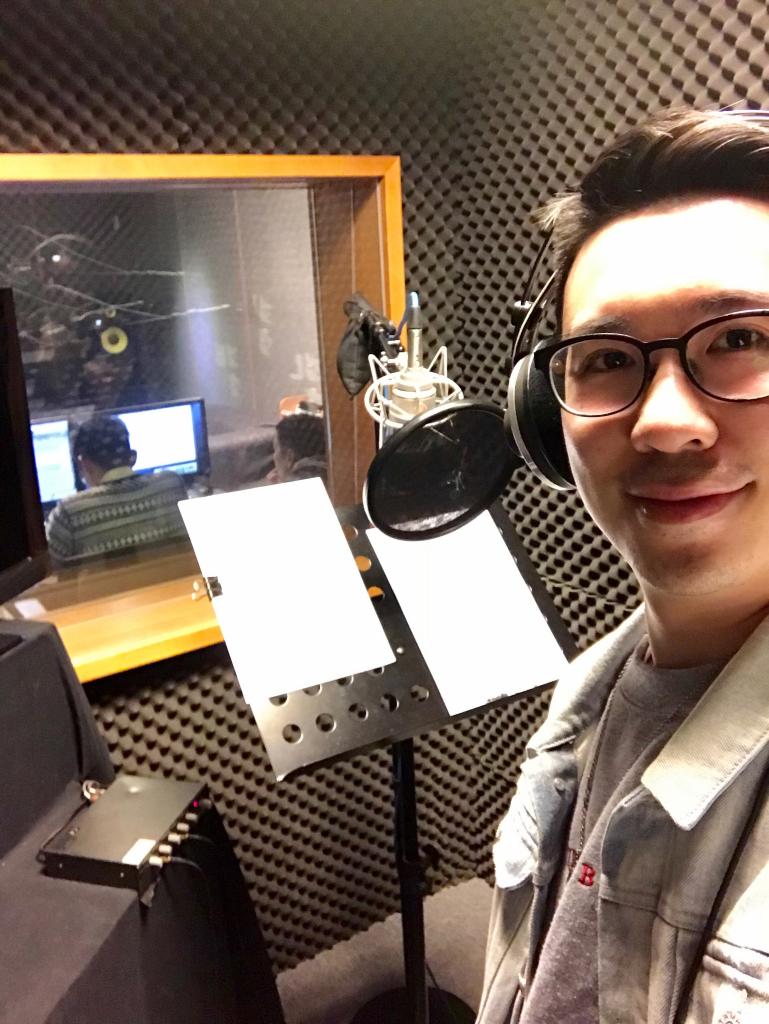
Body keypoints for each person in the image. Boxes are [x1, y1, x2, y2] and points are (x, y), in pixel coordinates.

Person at [479, 108, 769, 1024]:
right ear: (544, 417)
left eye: (740, 339)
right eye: (606, 359)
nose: (664, 423)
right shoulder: (587, 699)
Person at [46, 413, 189, 565]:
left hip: (111, 582)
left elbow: (49, 571)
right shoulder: (171, 483)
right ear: (132, 457)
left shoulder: (69, 513)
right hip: (176, 580)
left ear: (85, 465)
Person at [266, 412, 328, 484]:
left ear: (289, 457)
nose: (274, 457)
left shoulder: (295, 489)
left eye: (275, 449)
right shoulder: (333, 476)